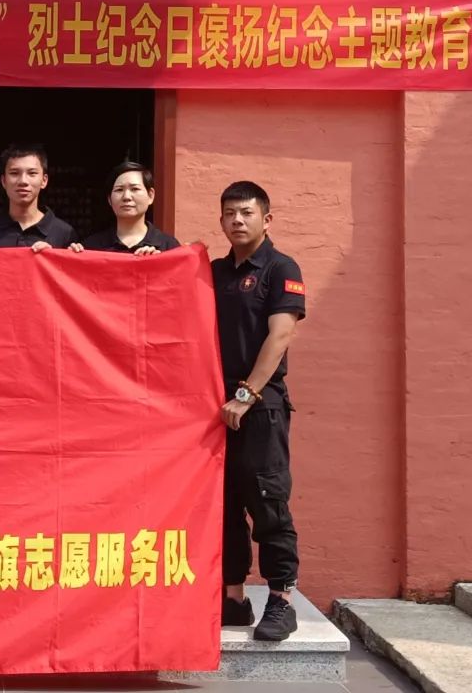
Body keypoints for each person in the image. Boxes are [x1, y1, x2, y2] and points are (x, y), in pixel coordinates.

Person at [212, 181, 305, 642]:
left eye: (246, 213)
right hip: (215, 407)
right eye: (230, 213)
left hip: (260, 405)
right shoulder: (212, 272)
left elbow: (281, 335)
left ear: (266, 219)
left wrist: (247, 395)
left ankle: (281, 600)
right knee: (224, 505)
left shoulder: (280, 268)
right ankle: (233, 600)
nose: (237, 221)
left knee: (267, 502)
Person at [0, 144, 76, 251]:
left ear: (44, 180)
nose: (23, 181)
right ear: (3, 181)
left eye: (32, 173)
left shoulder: (64, 234)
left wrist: (51, 257)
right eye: (14, 173)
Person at [74, 161, 179, 254]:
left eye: (135, 189)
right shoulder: (91, 247)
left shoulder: (168, 246)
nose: (126, 197)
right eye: (119, 190)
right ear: (109, 199)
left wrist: (158, 263)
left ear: (150, 196)